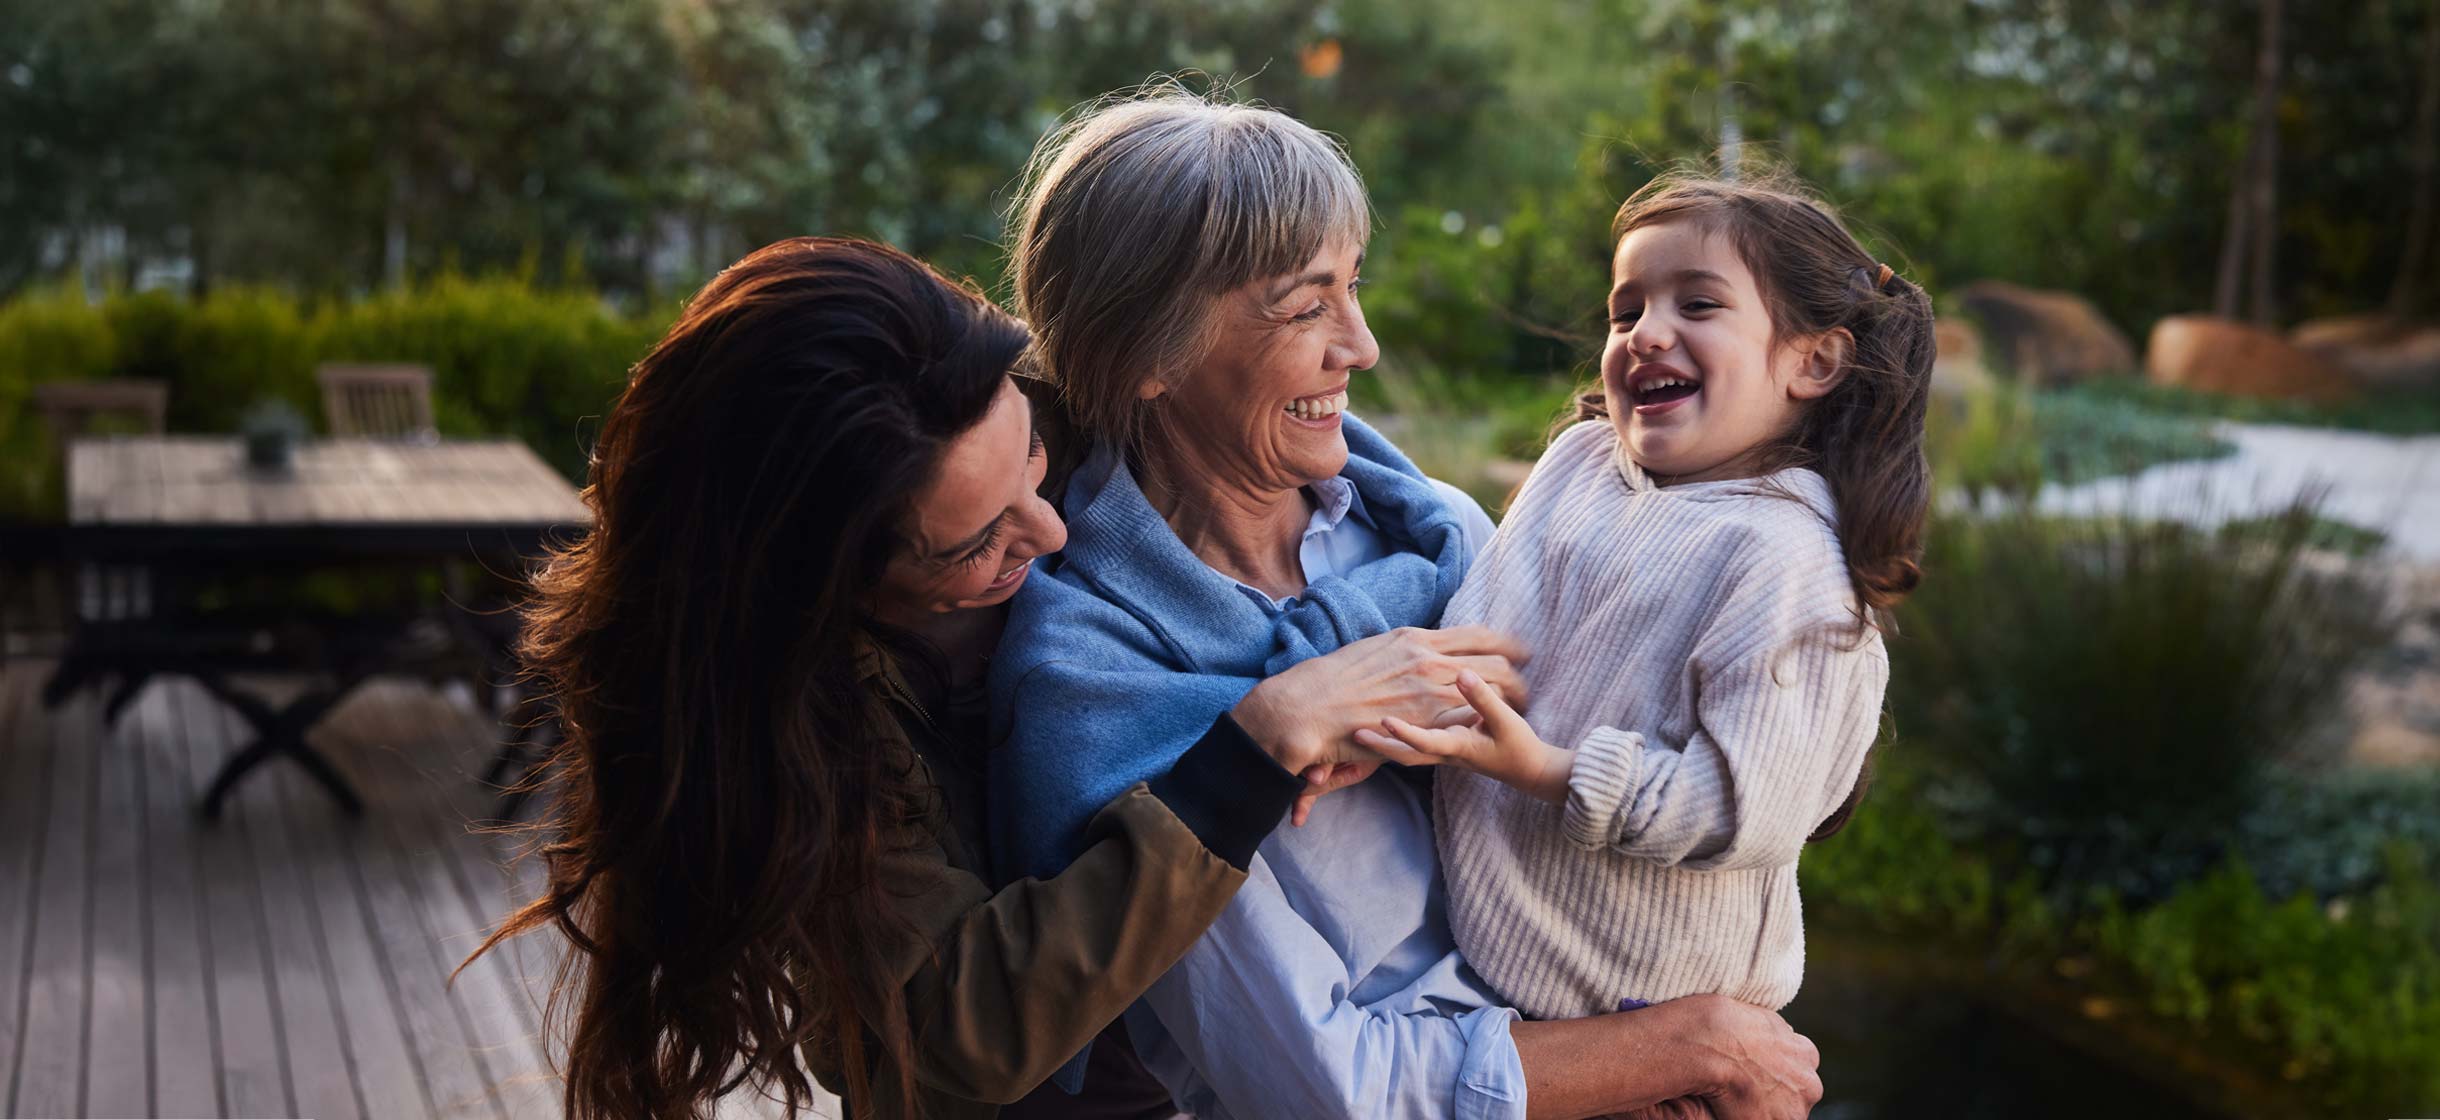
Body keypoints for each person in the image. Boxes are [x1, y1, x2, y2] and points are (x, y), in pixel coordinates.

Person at [468, 236, 1514, 1120]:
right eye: (973, 543)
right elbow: (932, 1032)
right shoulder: (810, 729)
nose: (1054, 531)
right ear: (824, 579)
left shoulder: (1076, 425)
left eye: (1033, 463)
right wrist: (1246, 752)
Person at [990, 88, 1825, 1120]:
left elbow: (1639, 800)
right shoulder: (1103, 688)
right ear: (1148, 354)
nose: (1363, 344)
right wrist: (1675, 1048)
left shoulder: (1435, 533)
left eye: (1355, 287)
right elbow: (1328, 1087)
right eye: (1307, 305)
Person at [1356, 171, 1935, 1023]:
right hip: (1490, 977)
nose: (1647, 334)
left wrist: (1549, 771)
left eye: (1698, 306)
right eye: (1627, 312)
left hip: (1657, 1015)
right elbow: (1484, 638)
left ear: (1812, 361)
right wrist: (1377, 730)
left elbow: (1745, 810)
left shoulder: (1783, 557)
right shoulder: (1581, 467)